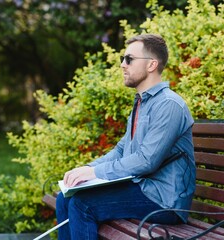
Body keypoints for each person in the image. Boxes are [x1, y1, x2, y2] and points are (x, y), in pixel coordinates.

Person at [56, 34, 196, 240]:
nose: (122, 64)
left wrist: (95, 172)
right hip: (143, 188)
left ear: (151, 65)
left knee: (82, 204)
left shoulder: (169, 105)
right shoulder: (142, 102)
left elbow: (147, 161)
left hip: (165, 199)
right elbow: (122, 149)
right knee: (65, 198)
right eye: (123, 58)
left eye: (129, 59)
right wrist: (87, 169)